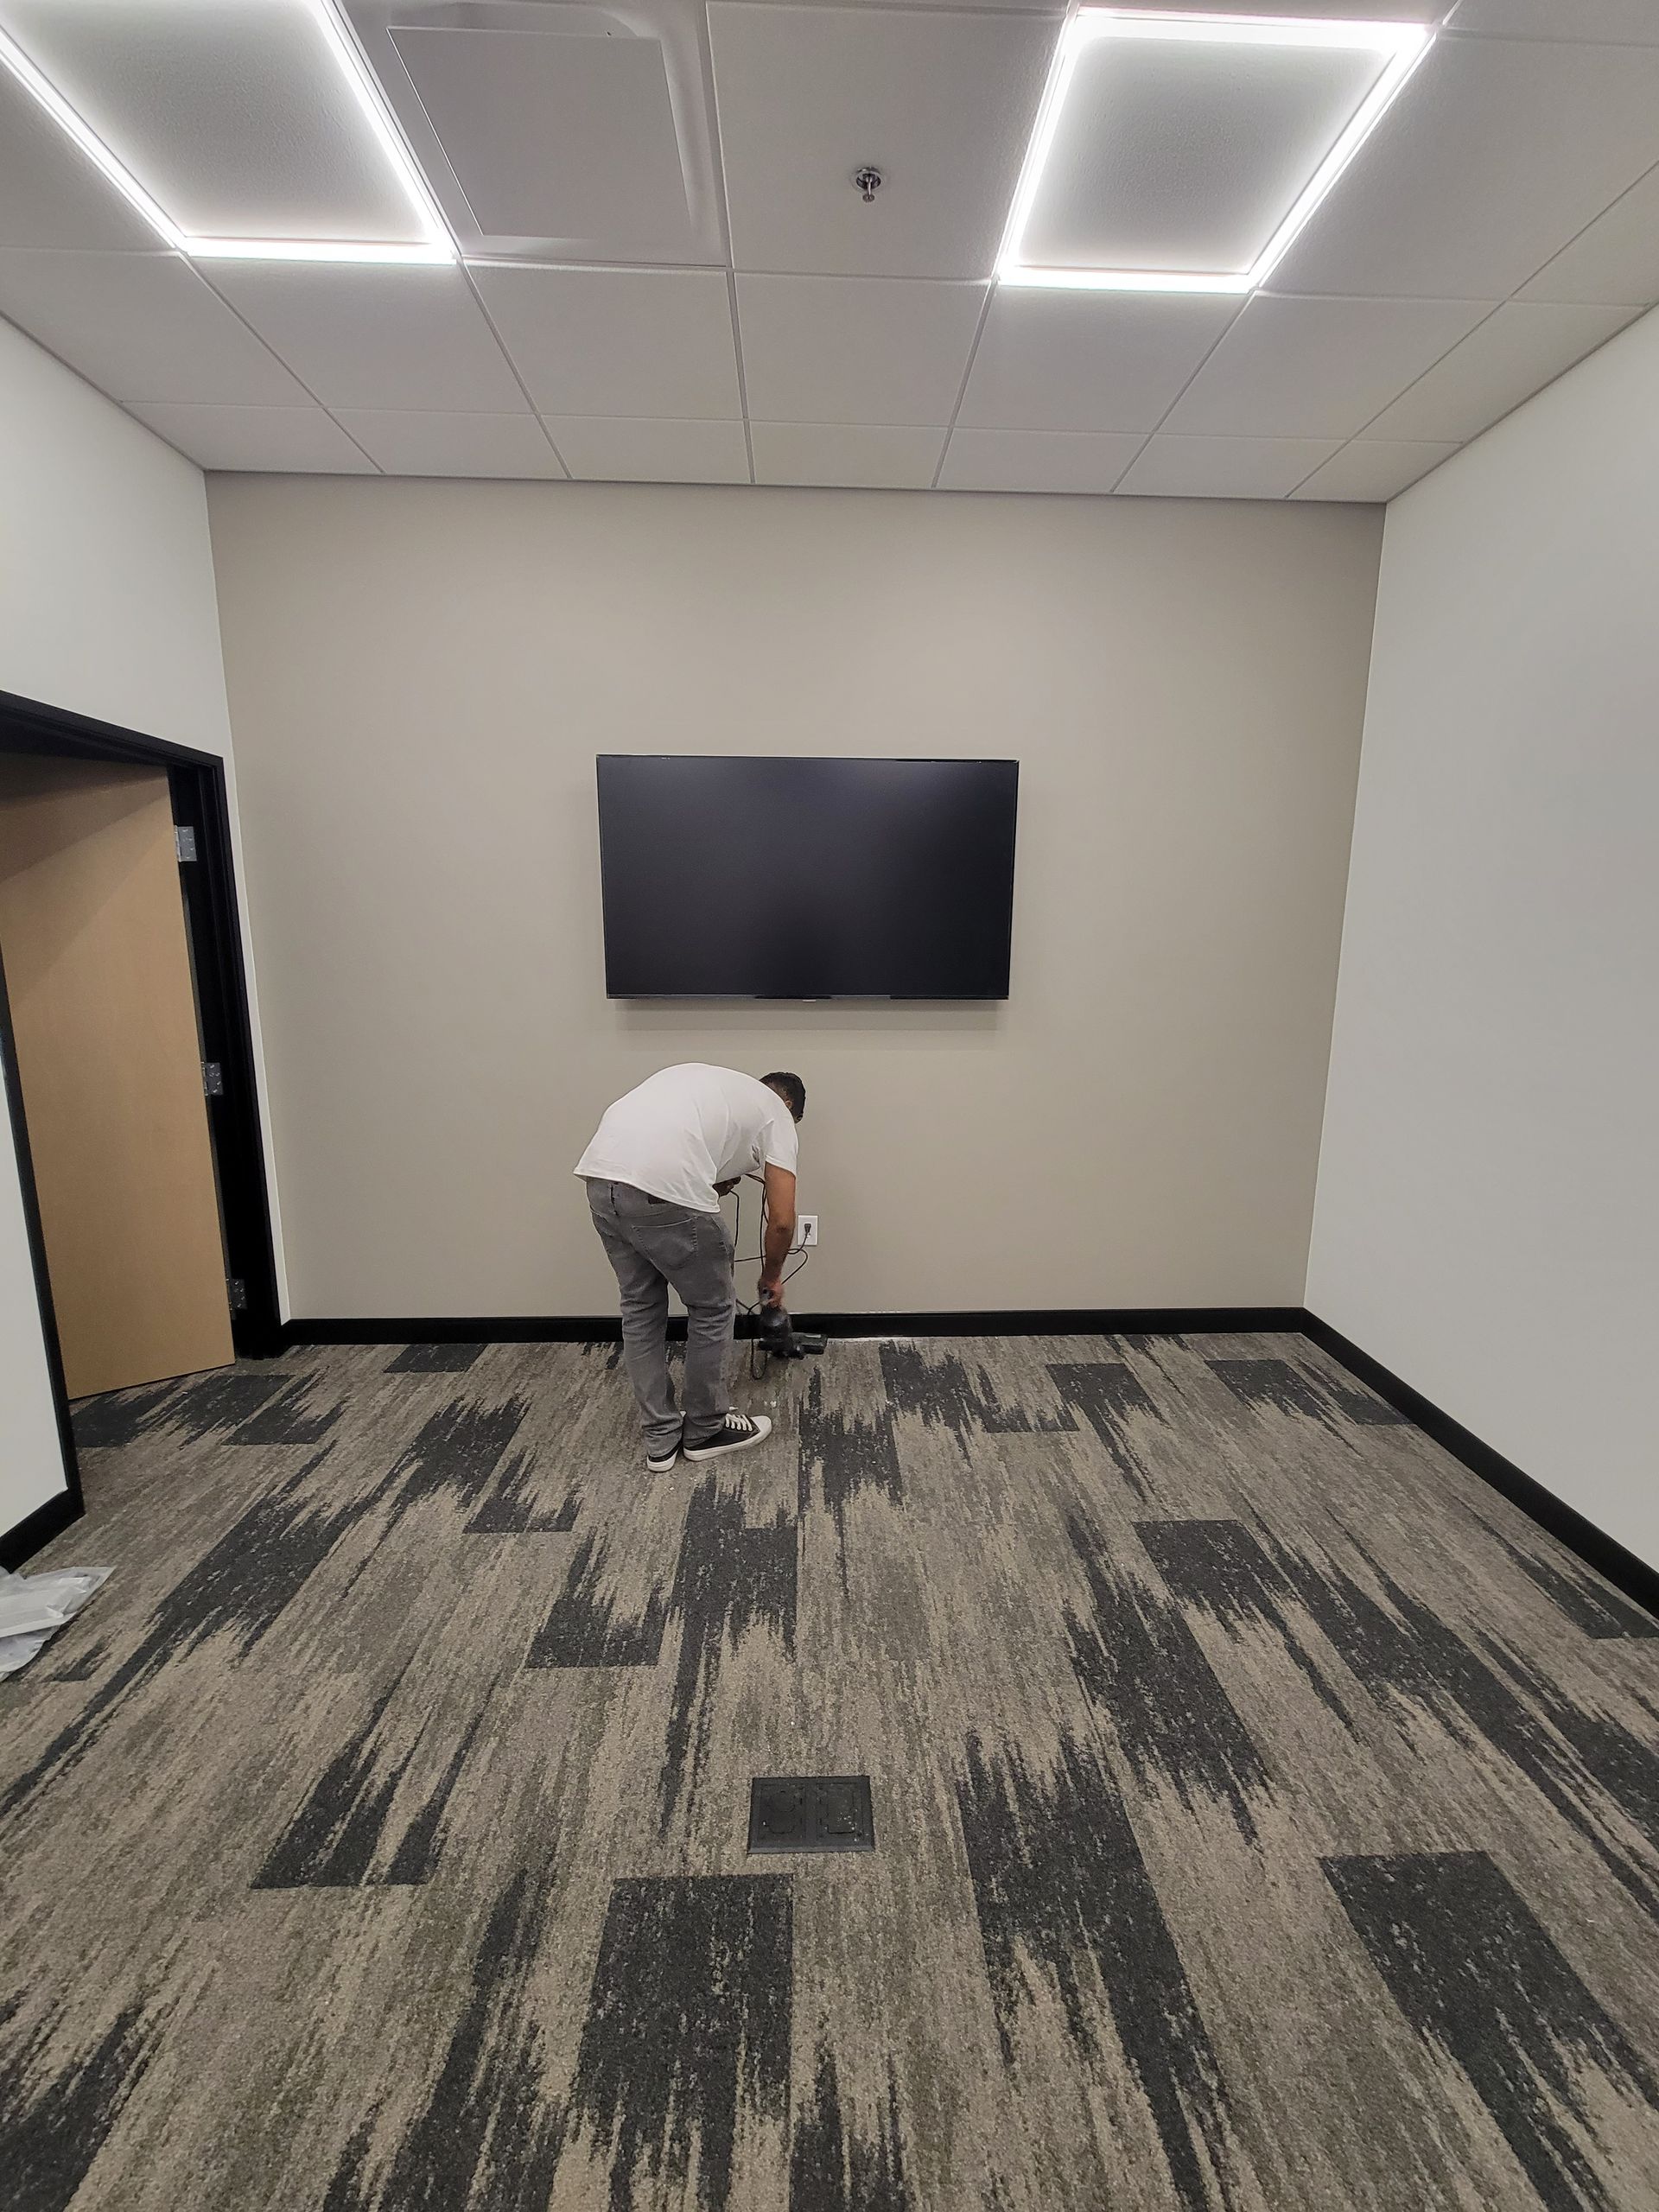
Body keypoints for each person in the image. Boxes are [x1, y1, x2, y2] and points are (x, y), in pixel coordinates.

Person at [575, 1065, 805, 1471]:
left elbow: (669, 1150)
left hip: (600, 1179)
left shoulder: (712, 1086)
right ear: (789, 1107)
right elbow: (783, 1220)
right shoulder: (778, 1114)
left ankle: (660, 1438)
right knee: (713, 1308)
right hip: (661, 1187)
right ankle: (705, 1430)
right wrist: (772, 1279)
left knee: (640, 1309)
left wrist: (710, 1184)